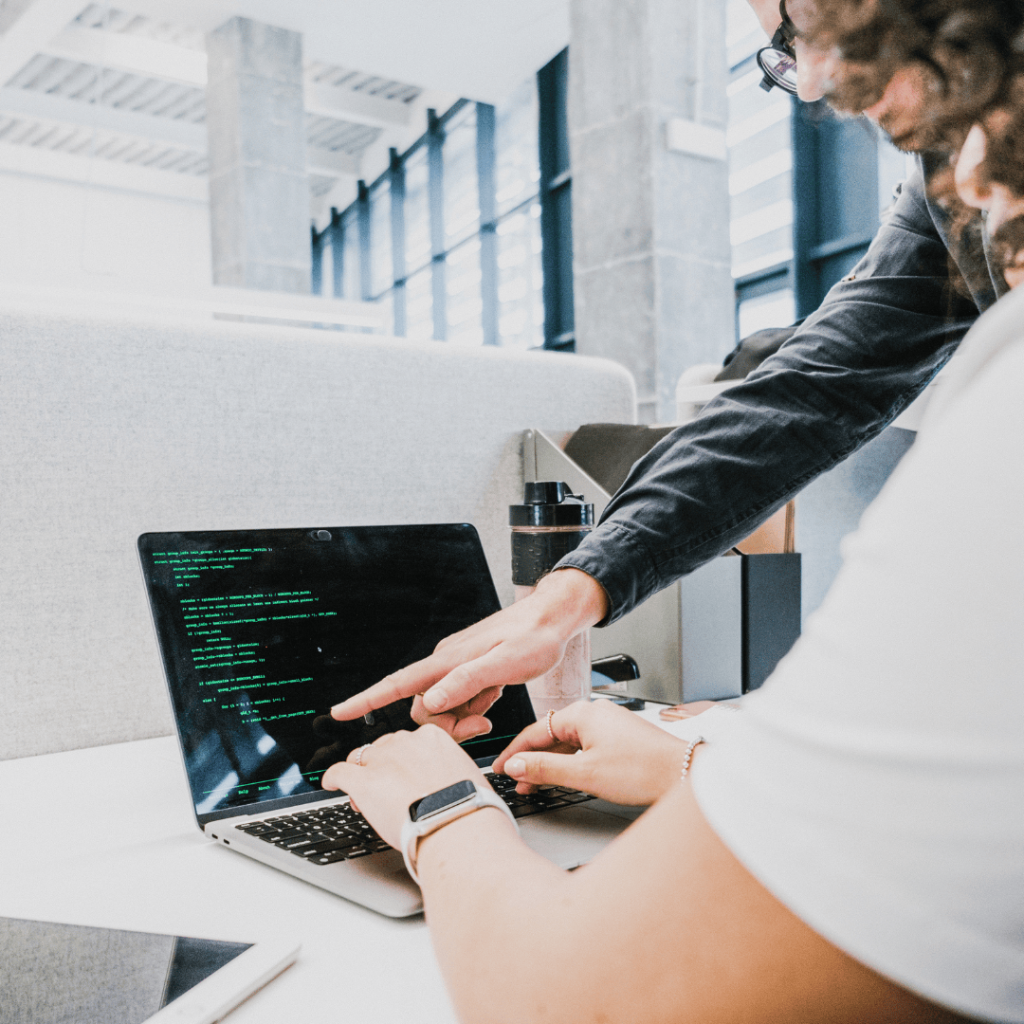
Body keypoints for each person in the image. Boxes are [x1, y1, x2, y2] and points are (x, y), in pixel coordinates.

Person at [316, 2, 1024, 1020]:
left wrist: (438, 806)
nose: (817, 82)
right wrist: (581, 610)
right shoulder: (960, 176)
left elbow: (572, 1003)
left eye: (795, 23)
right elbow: (813, 382)